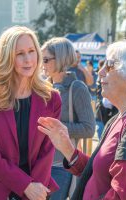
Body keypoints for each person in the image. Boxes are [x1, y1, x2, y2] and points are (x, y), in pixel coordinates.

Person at [38, 40, 126, 200]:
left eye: (110, 65)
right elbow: (98, 174)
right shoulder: (124, 117)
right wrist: (68, 149)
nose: (100, 72)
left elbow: (124, 194)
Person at [0, 26, 61, 200]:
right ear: (7, 57)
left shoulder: (52, 98)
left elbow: (47, 151)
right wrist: (24, 185)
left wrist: (34, 188)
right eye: (20, 53)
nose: (28, 59)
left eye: (31, 51)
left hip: (37, 190)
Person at [41, 37, 95, 200]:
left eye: (45, 59)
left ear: (60, 59)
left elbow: (89, 128)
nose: (42, 64)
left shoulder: (76, 88)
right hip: (39, 165)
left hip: (61, 166)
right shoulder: (44, 86)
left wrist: (57, 128)